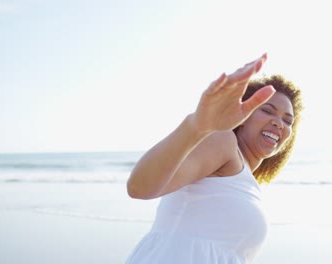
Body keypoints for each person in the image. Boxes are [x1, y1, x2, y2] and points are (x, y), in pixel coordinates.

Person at [126, 53, 303, 263]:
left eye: (287, 120)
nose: (278, 123)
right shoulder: (223, 142)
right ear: (243, 116)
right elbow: (140, 187)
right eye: (267, 110)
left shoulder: (246, 182)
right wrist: (196, 126)